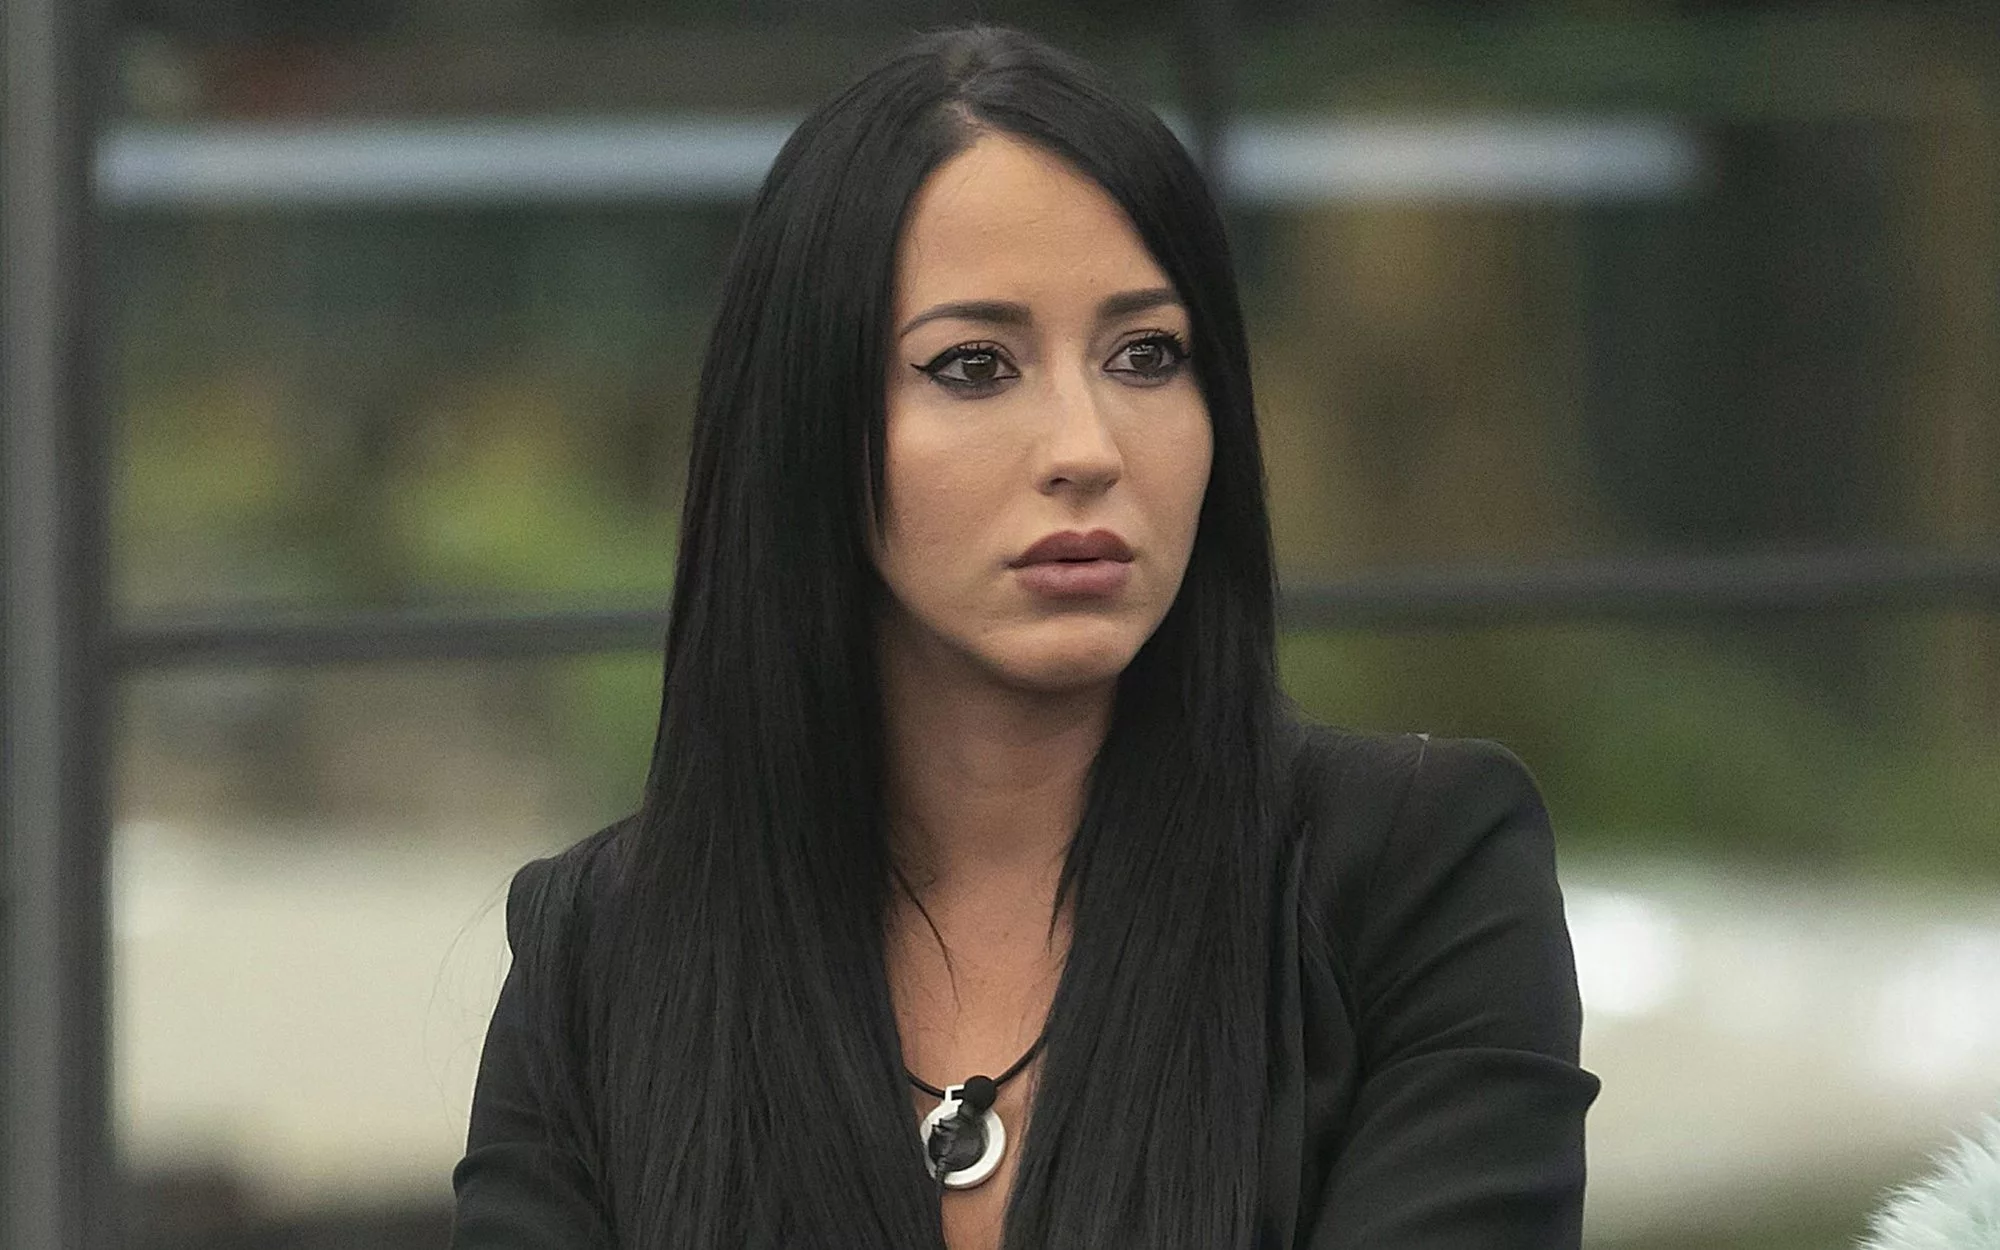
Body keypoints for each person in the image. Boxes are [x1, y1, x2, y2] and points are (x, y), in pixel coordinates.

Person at [450, 24, 1598, 1250]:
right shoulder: (598, 956)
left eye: (1145, 354)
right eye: (973, 364)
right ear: (805, 420)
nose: (1085, 448)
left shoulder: (1414, 874)